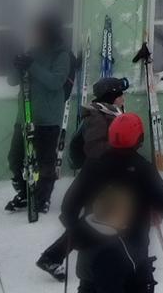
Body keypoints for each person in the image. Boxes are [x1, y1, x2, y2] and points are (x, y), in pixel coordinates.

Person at [58, 111, 163, 293]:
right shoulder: (141, 169)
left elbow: (68, 208)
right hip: (127, 261)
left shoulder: (93, 166)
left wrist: (79, 232)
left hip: (89, 260)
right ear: (139, 138)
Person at [37, 76, 131, 281]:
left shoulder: (109, 113)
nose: (123, 98)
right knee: (93, 221)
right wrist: (118, 150)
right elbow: (95, 148)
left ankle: (52, 256)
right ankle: (53, 257)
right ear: (112, 96)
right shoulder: (99, 117)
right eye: (120, 94)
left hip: (101, 175)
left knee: (93, 221)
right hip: (97, 177)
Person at [6, 14, 77, 214]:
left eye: (39, 30)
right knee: (15, 158)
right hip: (25, 117)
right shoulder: (32, 52)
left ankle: (42, 198)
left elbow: (55, 81)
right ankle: (24, 192)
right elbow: (12, 81)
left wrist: (32, 66)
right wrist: (16, 66)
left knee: (46, 162)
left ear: (50, 32)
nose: (35, 34)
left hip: (48, 119)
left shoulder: (62, 55)